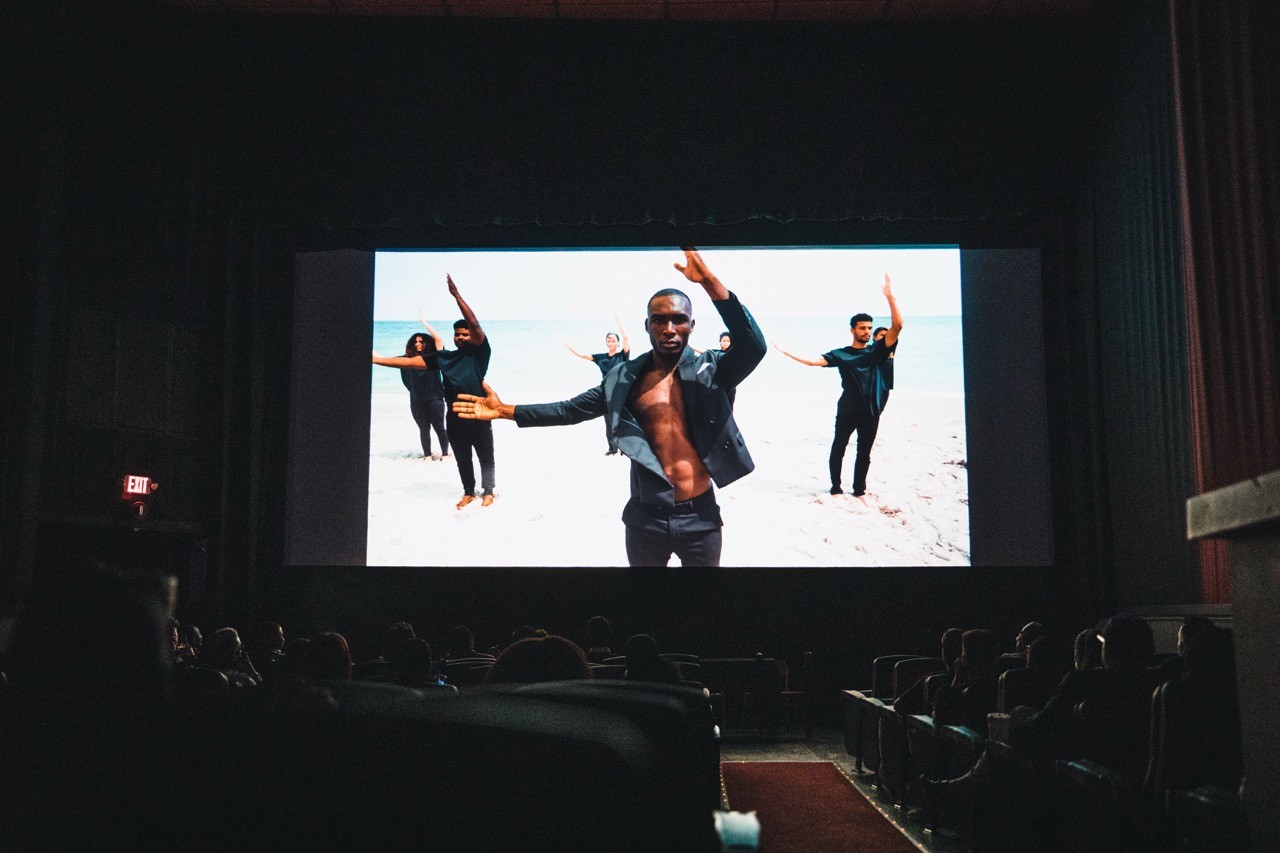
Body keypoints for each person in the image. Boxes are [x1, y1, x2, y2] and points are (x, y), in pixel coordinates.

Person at [452, 247, 766, 567]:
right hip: (645, 518)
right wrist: (505, 410)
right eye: (659, 319)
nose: (669, 328)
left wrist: (709, 282)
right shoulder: (623, 379)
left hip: (700, 517)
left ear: (691, 325)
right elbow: (569, 410)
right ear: (647, 326)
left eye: (679, 319)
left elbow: (754, 346)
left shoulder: (713, 370)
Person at [775, 274, 903, 504]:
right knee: (839, 447)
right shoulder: (841, 354)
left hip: (871, 411)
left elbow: (898, 326)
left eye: (869, 328)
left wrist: (890, 297)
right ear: (852, 330)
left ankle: (859, 489)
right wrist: (786, 352)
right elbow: (813, 362)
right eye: (862, 328)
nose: (867, 331)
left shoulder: (877, 351)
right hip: (847, 410)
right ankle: (835, 486)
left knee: (864, 452)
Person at [374, 274, 495, 508]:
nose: (461, 337)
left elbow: (475, 324)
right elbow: (409, 362)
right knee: (462, 457)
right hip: (455, 415)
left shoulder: (479, 354)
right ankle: (469, 492)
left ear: (472, 336)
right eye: (457, 334)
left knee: (485, 455)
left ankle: (488, 491)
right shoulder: (444, 357)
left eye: (465, 334)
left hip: (479, 413)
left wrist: (456, 296)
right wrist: (376, 360)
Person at [563, 318, 631, 455]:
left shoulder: (622, 356)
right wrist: (566, 344)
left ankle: (625, 448)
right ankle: (612, 449)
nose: (610, 342)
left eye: (613, 340)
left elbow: (626, 337)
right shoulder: (601, 358)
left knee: (623, 421)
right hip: (606, 393)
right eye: (608, 340)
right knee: (609, 423)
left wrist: (617, 319)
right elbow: (582, 355)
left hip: (621, 393)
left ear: (618, 343)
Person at [400, 328, 450, 460]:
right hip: (416, 400)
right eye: (415, 342)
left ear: (427, 343)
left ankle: (445, 454)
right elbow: (405, 380)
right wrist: (415, 391)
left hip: (435, 398)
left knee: (439, 427)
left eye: (421, 341)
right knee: (423, 428)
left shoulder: (435, 357)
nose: (418, 344)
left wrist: (424, 323)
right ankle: (427, 455)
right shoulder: (406, 360)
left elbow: (439, 340)